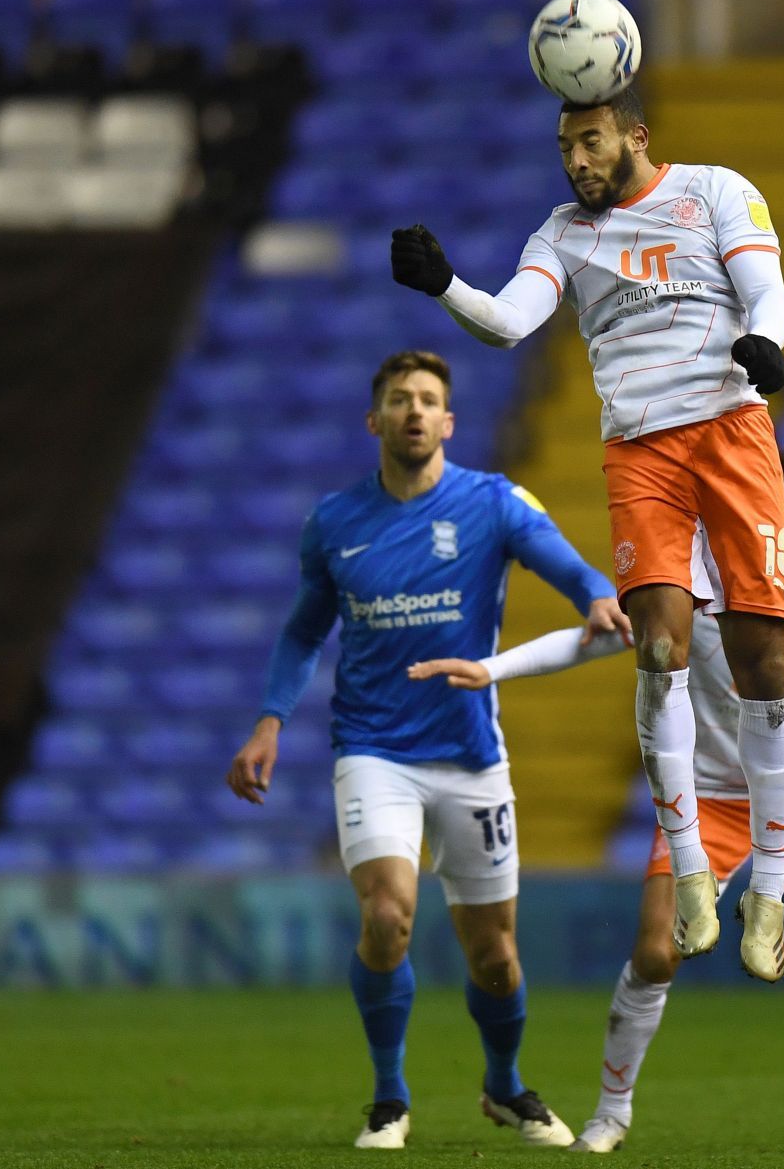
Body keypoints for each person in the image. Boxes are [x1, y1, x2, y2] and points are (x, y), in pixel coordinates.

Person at [410, 449, 784, 1155]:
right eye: (774, 519)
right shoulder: (698, 592)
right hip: (706, 797)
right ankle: (611, 1113)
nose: (783, 533)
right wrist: (490, 668)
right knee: (655, 953)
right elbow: (595, 637)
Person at [387, 84, 784, 983]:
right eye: (566, 148)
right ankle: (693, 870)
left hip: (733, 430)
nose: (576, 162)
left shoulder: (715, 190)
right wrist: (445, 283)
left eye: (591, 142)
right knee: (658, 644)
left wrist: (765, 341)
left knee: (764, 659)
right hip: (640, 449)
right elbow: (507, 321)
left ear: (634, 136)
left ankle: (767, 888)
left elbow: (768, 291)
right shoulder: (564, 233)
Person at [224, 350, 631, 1151]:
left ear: (449, 421)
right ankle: (388, 1096)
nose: (415, 410)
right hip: (373, 747)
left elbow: (566, 562)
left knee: (496, 956)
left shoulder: (492, 502)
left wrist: (596, 595)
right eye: (400, 399)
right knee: (387, 914)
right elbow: (306, 628)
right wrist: (270, 718)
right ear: (374, 420)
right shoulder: (334, 522)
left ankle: (505, 1084)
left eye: (429, 400)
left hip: (470, 752)